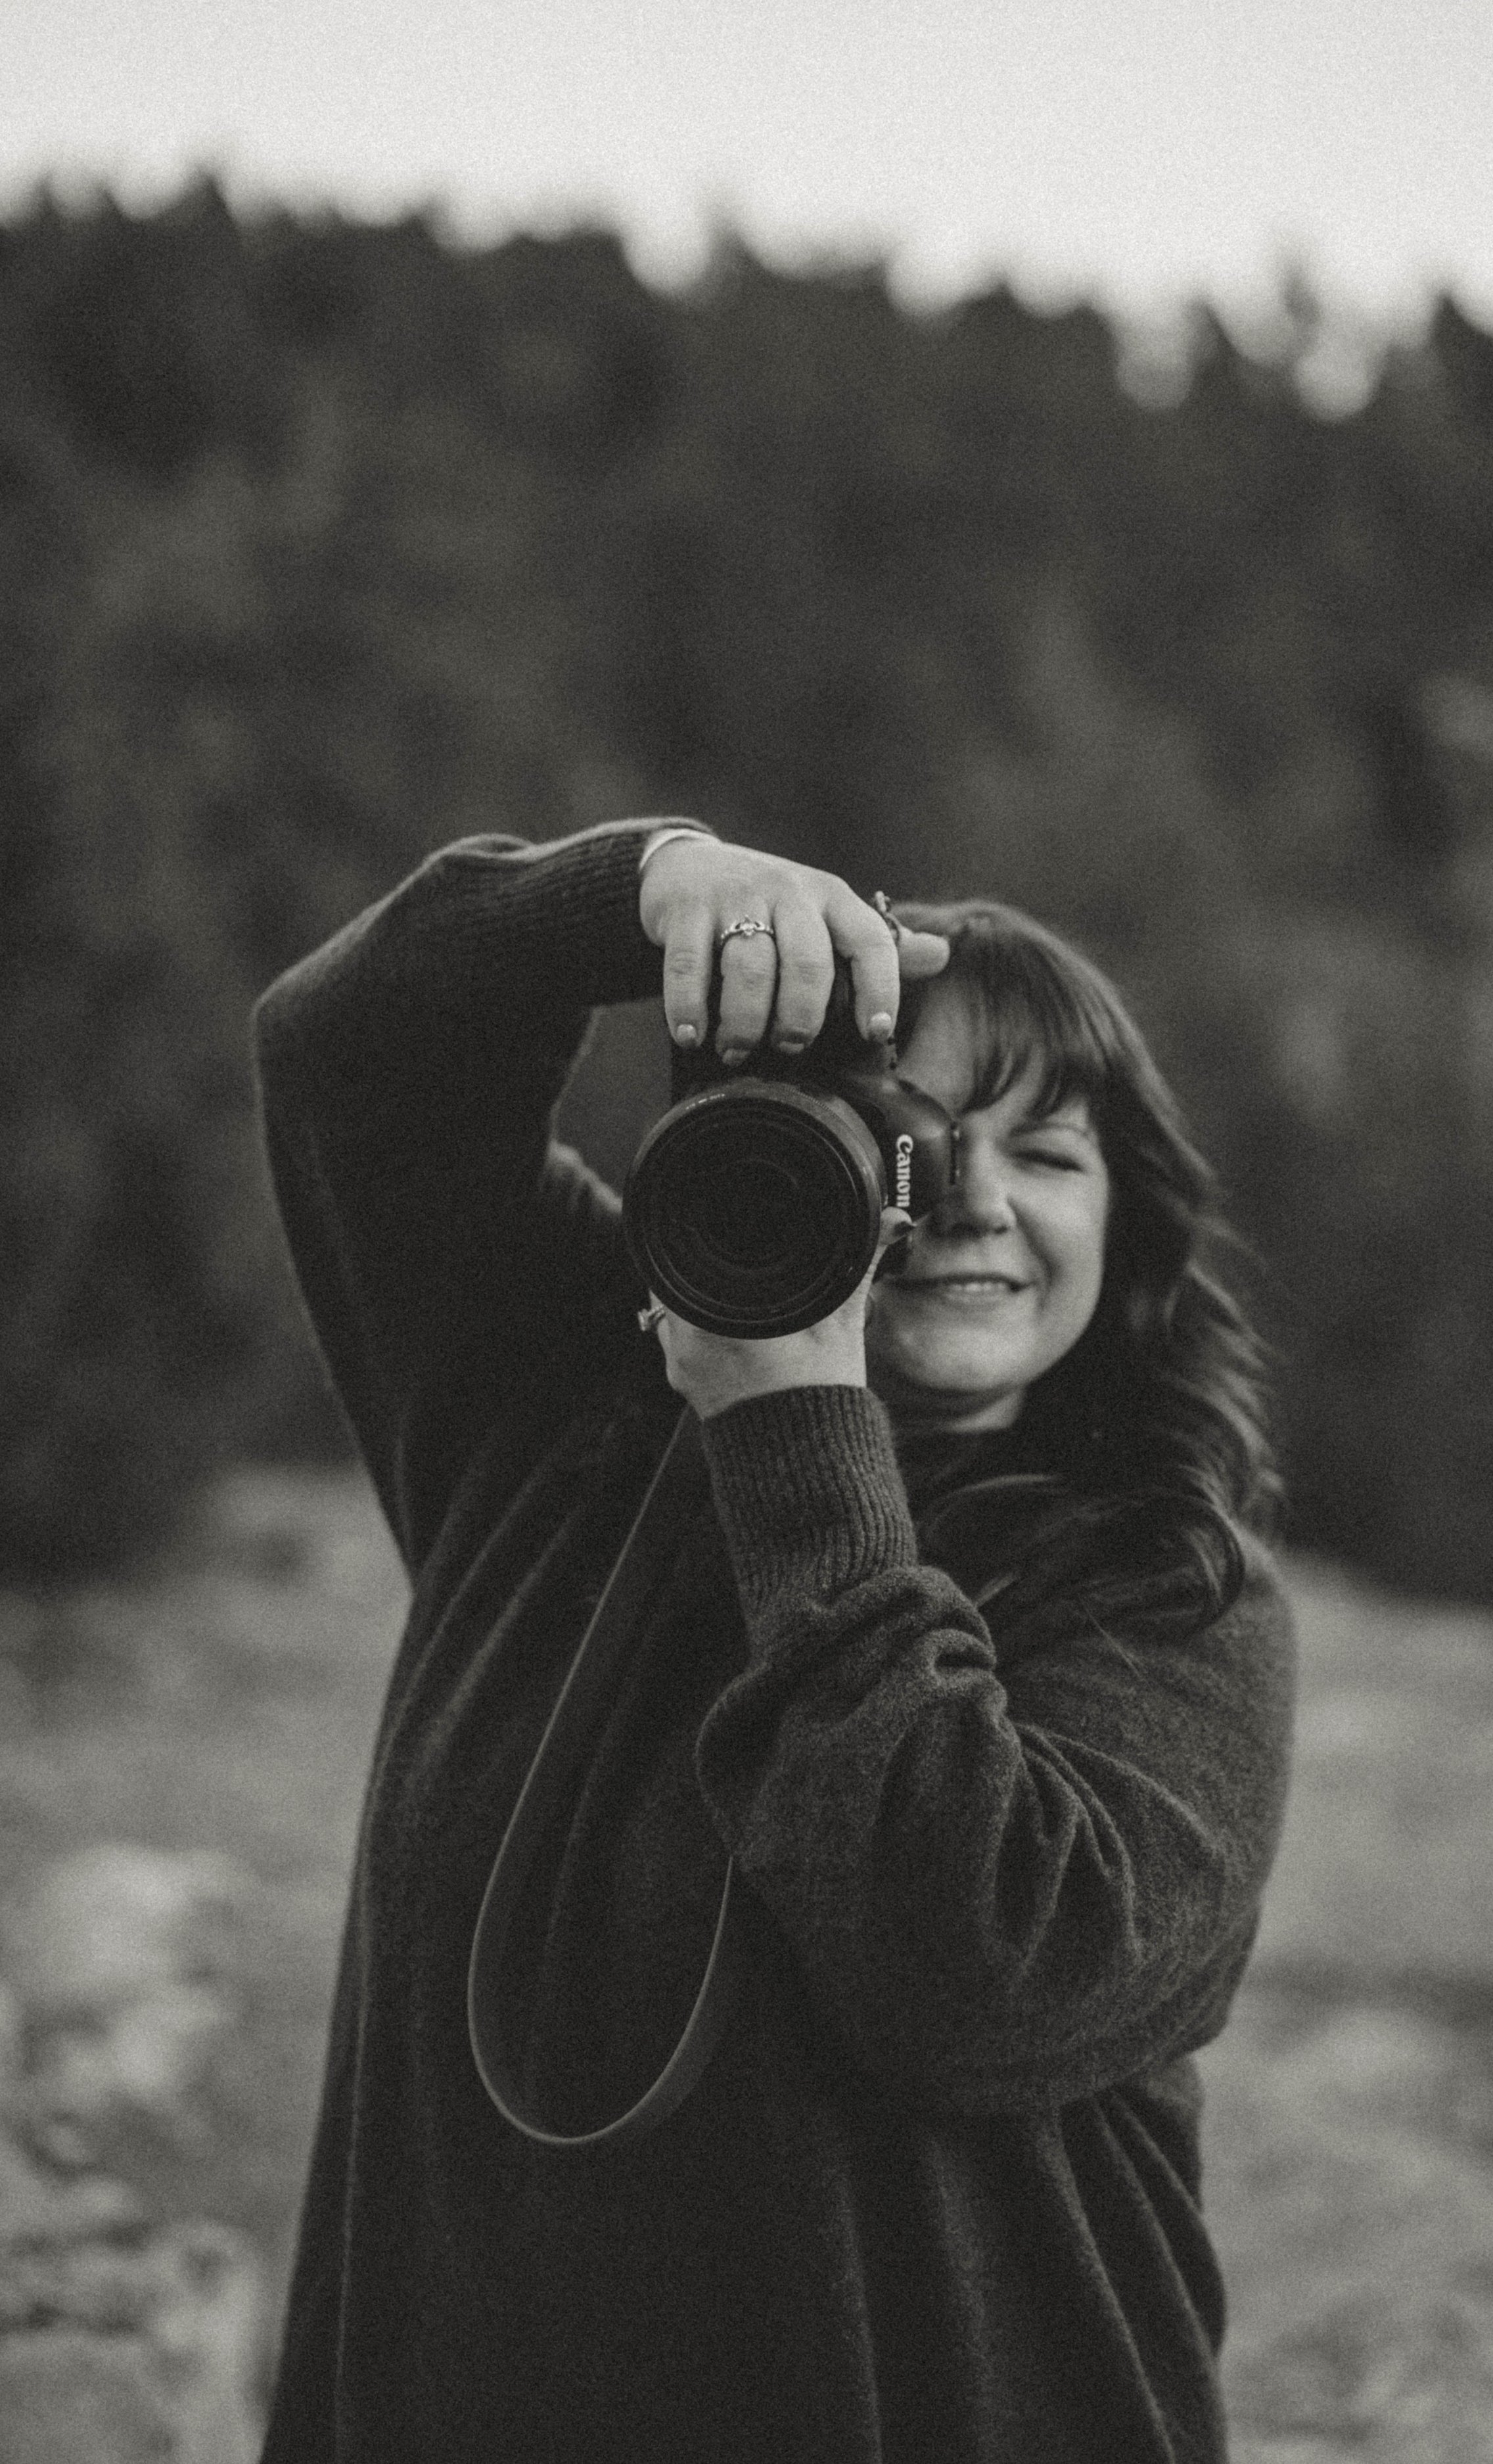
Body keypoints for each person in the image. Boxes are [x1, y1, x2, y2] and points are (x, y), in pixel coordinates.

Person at [252, 817, 1295, 2464]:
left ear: (1131, 1223)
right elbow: (349, 1056)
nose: (973, 1202)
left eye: (1046, 1154)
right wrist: (642, 886)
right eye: (904, 1138)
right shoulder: (555, 1404)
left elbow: (983, 1973)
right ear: (778, 1146)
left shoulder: (1166, 1586)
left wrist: (795, 1428)